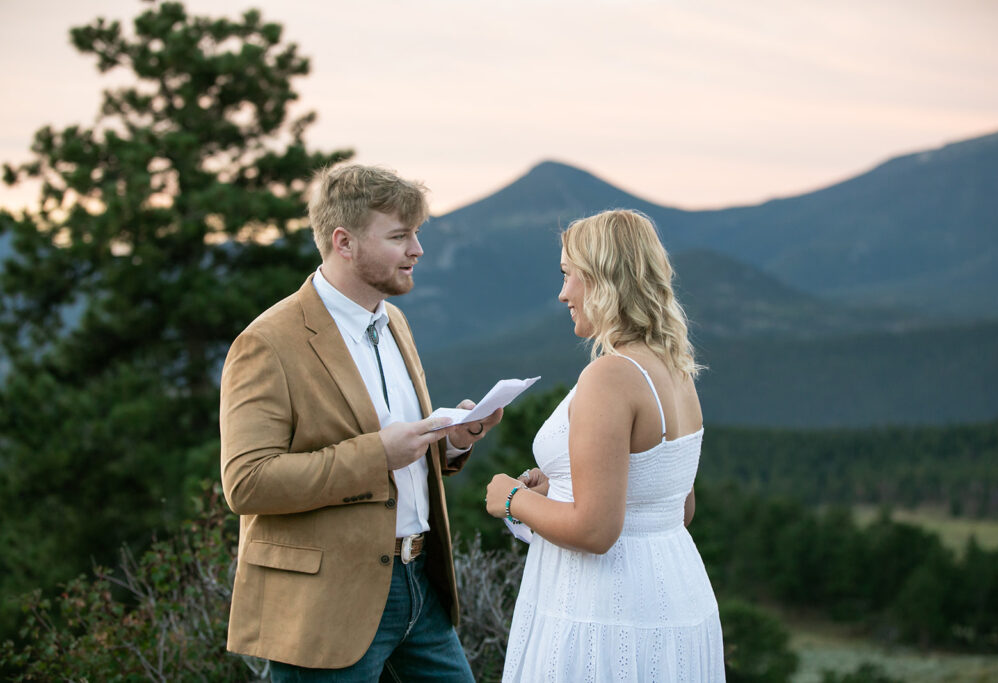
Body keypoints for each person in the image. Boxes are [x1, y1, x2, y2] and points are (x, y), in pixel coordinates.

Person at [220, 163, 501, 681]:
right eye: (399, 236)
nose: (417, 250)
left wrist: (453, 442)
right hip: (326, 603)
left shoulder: (394, 321)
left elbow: (404, 454)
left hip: (420, 585)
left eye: (415, 234)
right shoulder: (266, 343)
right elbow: (247, 483)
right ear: (344, 242)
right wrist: (376, 455)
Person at [486, 209, 726, 681]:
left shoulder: (610, 376)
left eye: (567, 275)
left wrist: (510, 499)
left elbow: (596, 532)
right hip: (673, 594)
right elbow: (675, 508)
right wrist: (558, 487)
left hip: (604, 607)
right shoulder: (676, 371)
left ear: (601, 278)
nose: (563, 293)